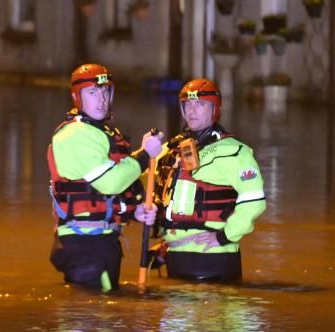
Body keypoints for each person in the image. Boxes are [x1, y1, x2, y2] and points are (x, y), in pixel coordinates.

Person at [47, 63, 164, 291]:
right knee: (95, 315)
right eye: (92, 92)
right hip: (84, 242)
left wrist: (135, 211)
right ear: (76, 97)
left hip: (103, 239)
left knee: (105, 314)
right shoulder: (73, 134)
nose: (101, 99)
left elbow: (117, 187)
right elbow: (110, 183)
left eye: (105, 91)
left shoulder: (103, 134)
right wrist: (144, 154)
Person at [152, 78, 266, 282]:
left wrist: (223, 237)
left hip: (214, 256)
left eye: (200, 105)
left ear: (215, 109)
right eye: (187, 105)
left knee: (212, 313)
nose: (192, 111)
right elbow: (139, 172)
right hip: (176, 256)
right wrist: (145, 151)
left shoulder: (234, 152)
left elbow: (254, 202)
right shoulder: (174, 150)